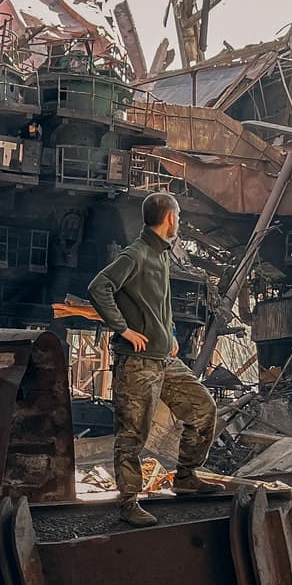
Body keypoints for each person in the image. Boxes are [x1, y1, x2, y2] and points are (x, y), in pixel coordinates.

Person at [87, 191, 217, 527]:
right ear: (170, 217)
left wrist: (170, 333)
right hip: (138, 362)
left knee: (203, 409)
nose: (180, 221)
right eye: (179, 216)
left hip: (164, 359)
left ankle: (186, 478)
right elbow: (99, 286)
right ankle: (129, 501)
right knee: (133, 434)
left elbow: (160, 302)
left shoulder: (161, 255)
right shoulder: (137, 254)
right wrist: (123, 329)